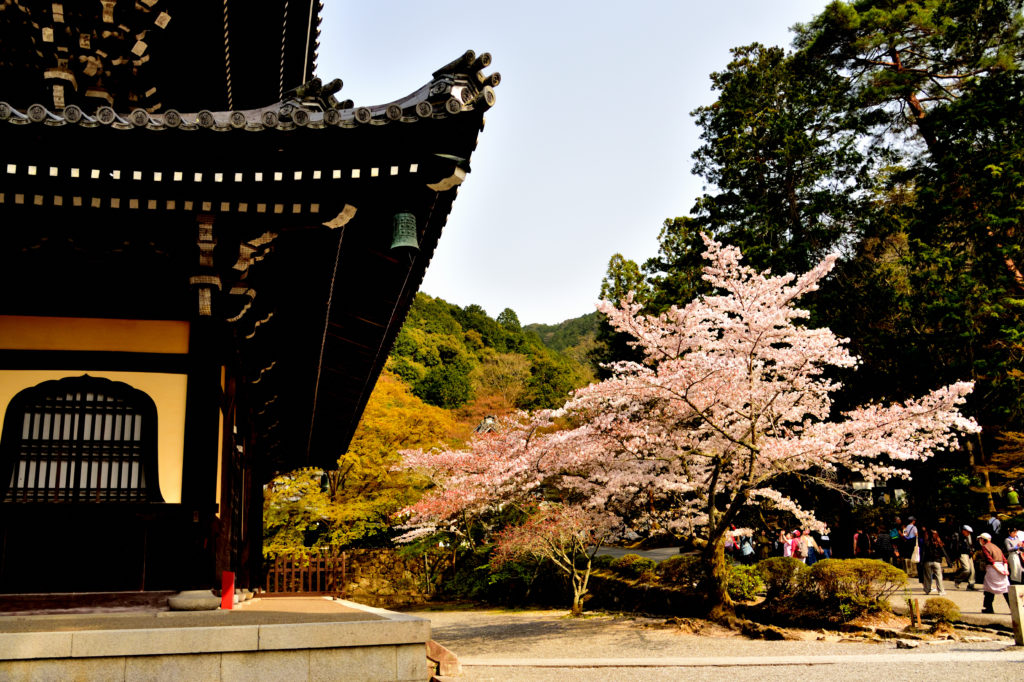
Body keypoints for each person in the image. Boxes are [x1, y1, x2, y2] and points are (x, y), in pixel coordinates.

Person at [977, 532, 1011, 613]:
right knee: (1005, 589)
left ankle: (988, 607)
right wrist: (1005, 570)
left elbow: (990, 561)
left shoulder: (984, 547)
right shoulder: (996, 547)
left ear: (982, 539)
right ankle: (1013, 608)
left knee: (989, 589)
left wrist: (999, 570)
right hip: (1002, 568)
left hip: (993, 569)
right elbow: (1004, 560)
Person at [920, 527, 946, 595]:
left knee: (928, 576)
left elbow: (923, 552)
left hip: (927, 561)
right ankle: (941, 591)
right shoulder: (938, 542)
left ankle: (927, 590)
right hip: (936, 561)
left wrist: (921, 561)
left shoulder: (926, 542)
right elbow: (943, 552)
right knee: (939, 576)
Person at [953, 525, 976, 590]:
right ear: (963, 531)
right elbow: (958, 547)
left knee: (972, 571)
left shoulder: (969, 536)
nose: (968, 533)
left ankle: (971, 585)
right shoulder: (959, 537)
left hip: (969, 554)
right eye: (967, 532)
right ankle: (958, 579)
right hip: (963, 554)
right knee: (967, 569)